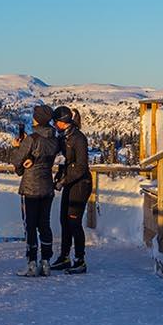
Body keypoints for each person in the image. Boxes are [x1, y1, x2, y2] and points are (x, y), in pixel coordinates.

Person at [12, 104, 60, 275]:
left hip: (30, 187)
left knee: (30, 226)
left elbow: (17, 162)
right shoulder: (54, 139)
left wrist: (18, 147)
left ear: (38, 119)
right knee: (44, 225)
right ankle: (46, 261)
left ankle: (32, 262)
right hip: (47, 186)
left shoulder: (31, 139)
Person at [50, 106, 93, 274]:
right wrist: (59, 178)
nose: (54, 124)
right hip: (70, 183)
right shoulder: (64, 137)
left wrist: (64, 180)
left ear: (64, 122)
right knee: (64, 220)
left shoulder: (78, 138)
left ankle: (80, 260)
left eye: (56, 121)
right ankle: (65, 257)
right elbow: (64, 162)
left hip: (81, 184)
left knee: (74, 222)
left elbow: (81, 166)